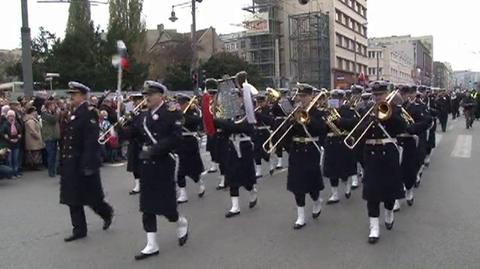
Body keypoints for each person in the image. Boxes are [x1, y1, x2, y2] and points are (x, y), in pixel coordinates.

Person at [125, 81, 188, 260]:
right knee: (147, 206)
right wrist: (120, 126)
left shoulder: (172, 114)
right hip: (146, 165)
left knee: (167, 207)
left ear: (161, 96)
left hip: (164, 163)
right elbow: (133, 134)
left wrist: (155, 150)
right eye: (146, 95)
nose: (147, 98)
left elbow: (176, 139)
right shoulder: (142, 116)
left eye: (150, 94)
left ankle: (180, 221)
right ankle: (152, 244)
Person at [59, 81, 114, 242]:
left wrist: (88, 164)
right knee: (72, 198)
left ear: (83, 95)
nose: (71, 98)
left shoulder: (89, 112)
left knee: (93, 198)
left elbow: (90, 141)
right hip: (71, 163)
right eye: (71, 95)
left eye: (74, 95)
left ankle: (106, 213)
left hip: (83, 163)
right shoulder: (74, 112)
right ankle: (79, 230)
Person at [357, 81, 407, 244]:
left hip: (389, 154)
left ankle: (389, 212)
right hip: (371, 155)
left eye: (381, 94)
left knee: (389, 191)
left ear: (387, 94)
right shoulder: (367, 110)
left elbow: (402, 127)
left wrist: (389, 115)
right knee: (371, 192)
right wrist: (369, 120)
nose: (378, 98)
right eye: (375, 95)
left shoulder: (396, 109)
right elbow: (359, 132)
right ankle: (374, 227)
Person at [214, 72, 258, 218]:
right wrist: (219, 123)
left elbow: (244, 128)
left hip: (244, 146)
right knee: (231, 176)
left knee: (247, 177)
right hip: (231, 147)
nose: (235, 100)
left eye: (238, 97)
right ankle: (235, 206)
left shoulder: (248, 113)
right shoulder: (228, 114)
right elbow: (226, 129)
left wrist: (225, 124)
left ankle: (252, 192)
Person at [286, 85, 326, 229]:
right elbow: (288, 133)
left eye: (305, 96)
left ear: (311, 96)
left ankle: (316, 200)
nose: (302, 99)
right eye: (300, 96)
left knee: (312, 183)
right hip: (296, 150)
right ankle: (301, 216)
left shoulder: (318, 113)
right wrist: (290, 122)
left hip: (311, 150)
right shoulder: (295, 112)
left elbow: (322, 130)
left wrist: (309, 121)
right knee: (297, 184)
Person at [324, 89, 359, 204]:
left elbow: (354, 123)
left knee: (346, 166)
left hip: (343, 140)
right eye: (333, 98)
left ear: (342, 99)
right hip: (331, 141)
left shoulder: (348, 110)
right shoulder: (327, 111)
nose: (335, 101)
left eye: (338, 99)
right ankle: (334, 194)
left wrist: (339, 121)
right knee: (331, 169)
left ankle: (348, 186)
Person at [176, 94, 206, 203]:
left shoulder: (192, 112)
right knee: (180, 170)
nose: (180, 105)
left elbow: (197, 121)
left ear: (187, 103)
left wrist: (185, 118)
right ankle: (183, 193)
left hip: (190, 142)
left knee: (192, 169)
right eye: (179, 103)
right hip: (180, 143)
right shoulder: (177, 114)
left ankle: (199, 182)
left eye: (182, 103)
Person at [124, 93, 147, 195]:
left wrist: (133, 118)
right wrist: (125, 121)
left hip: (143, 142)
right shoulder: (133, 113)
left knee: (144, 164)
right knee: (134, 163)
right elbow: (129, 129)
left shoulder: (146, 112)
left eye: (137, 100)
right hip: (133, 142)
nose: (135, 103)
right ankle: (137, 184)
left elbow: (141, 126)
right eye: (134, 101)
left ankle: (145, 183)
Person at [253, 94, 275, 178]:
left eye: (261, 102)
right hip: (256, 131)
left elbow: (270, 120)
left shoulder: (268, 109)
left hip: (265, 131)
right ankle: (258, 171)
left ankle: (270, 163)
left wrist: (260, 115)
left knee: (265, 151)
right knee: (256, 151)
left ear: (264, 102)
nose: (259, 104)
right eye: (258, 102)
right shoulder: (254, 110)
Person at [41, 100, 61, 177]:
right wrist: (57, 112)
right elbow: (54, 120)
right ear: (48, 106)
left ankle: (54, 170)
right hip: (49, 137)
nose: (54, 107)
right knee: (51, 155)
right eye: (53, 105)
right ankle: (51, 172)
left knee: (54, 155)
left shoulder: (51, 113)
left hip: (54, 136)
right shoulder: (45, 114)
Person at [1, 110, 22, 177]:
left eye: (12, 116)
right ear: (7, 116)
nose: (11, 117)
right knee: (9, 160)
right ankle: (10, 174)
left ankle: (15, 172)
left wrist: (18, 137)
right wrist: (9, 139)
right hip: (8, 144)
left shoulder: (16, 124)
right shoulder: (5, 124)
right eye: (10, 116)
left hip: (16, 144)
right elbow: (3, 134)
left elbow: (20, 132)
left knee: (15, 159)